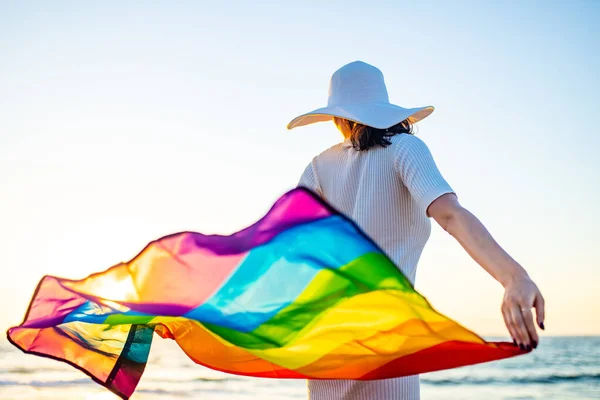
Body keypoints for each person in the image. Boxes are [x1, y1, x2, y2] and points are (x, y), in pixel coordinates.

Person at [287, 61, 545, 400]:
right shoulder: (405, 149)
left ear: (338, 117)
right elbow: (451, 215)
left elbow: (291, 250)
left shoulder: (318, 167)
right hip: (388, 338)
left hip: (326, 340)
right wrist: (513, 277)